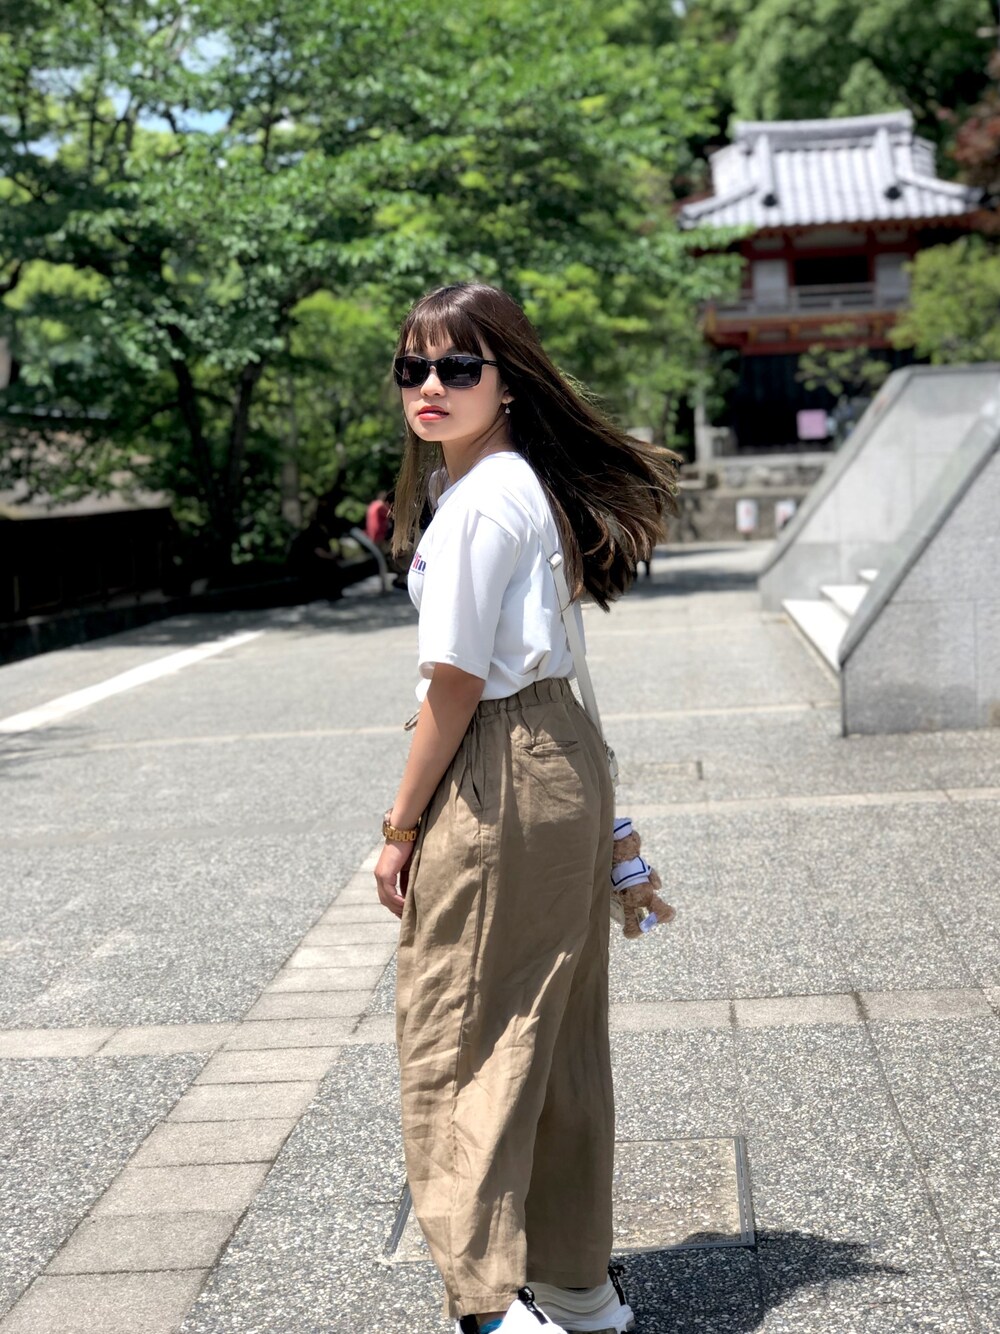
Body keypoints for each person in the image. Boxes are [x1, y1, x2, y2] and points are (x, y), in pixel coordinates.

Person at [374, 283, 678, 1334]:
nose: (430, 386)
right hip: (559, 756)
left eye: (458, 367)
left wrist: (400, 829)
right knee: (554, 1031)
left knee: (462, 1032)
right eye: (412, 367)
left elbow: (456, 683)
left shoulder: (476, 505)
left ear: (507, 381)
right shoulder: (519, 485)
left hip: (502, 760)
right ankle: (578, 1286)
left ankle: (492, 1305)